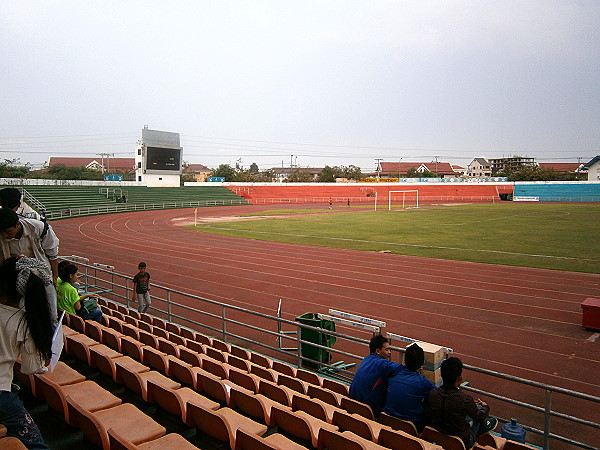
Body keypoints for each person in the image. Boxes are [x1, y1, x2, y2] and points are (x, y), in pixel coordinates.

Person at [0, 256, 53, 449]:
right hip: (1, 393)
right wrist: (43, 363)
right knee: (37, 445)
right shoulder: (21, 322)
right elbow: (31, 369)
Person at [429, 357, 497, 448]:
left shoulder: (433, 393)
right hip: (462, 441)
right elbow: (479, 417)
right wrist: (485, 407)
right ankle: (484, 426)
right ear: (459, 378)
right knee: (479, 412)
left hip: (438, 435)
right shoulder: (465, 399)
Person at [383, 343, 435, 431]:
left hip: (387, 423)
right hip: (411, 428)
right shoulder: (423, 383)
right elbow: (437, 394)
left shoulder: (394, 374)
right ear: (422, 363)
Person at [0, 208, 60, 284]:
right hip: (15, 278)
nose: (4, 235)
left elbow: (52, 254)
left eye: (7, 231)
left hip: (42, 275)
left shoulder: (40, 228)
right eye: (1, 232)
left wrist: (55, 276)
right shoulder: (1, 237)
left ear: (17, 224)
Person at [349, 334, 402, 418]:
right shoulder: (381, 364)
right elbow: (403, 369)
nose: (389, 352)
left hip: (353, 405)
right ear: (378, 351)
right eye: (387, 350)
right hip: (367, 411)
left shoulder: (366, 359)